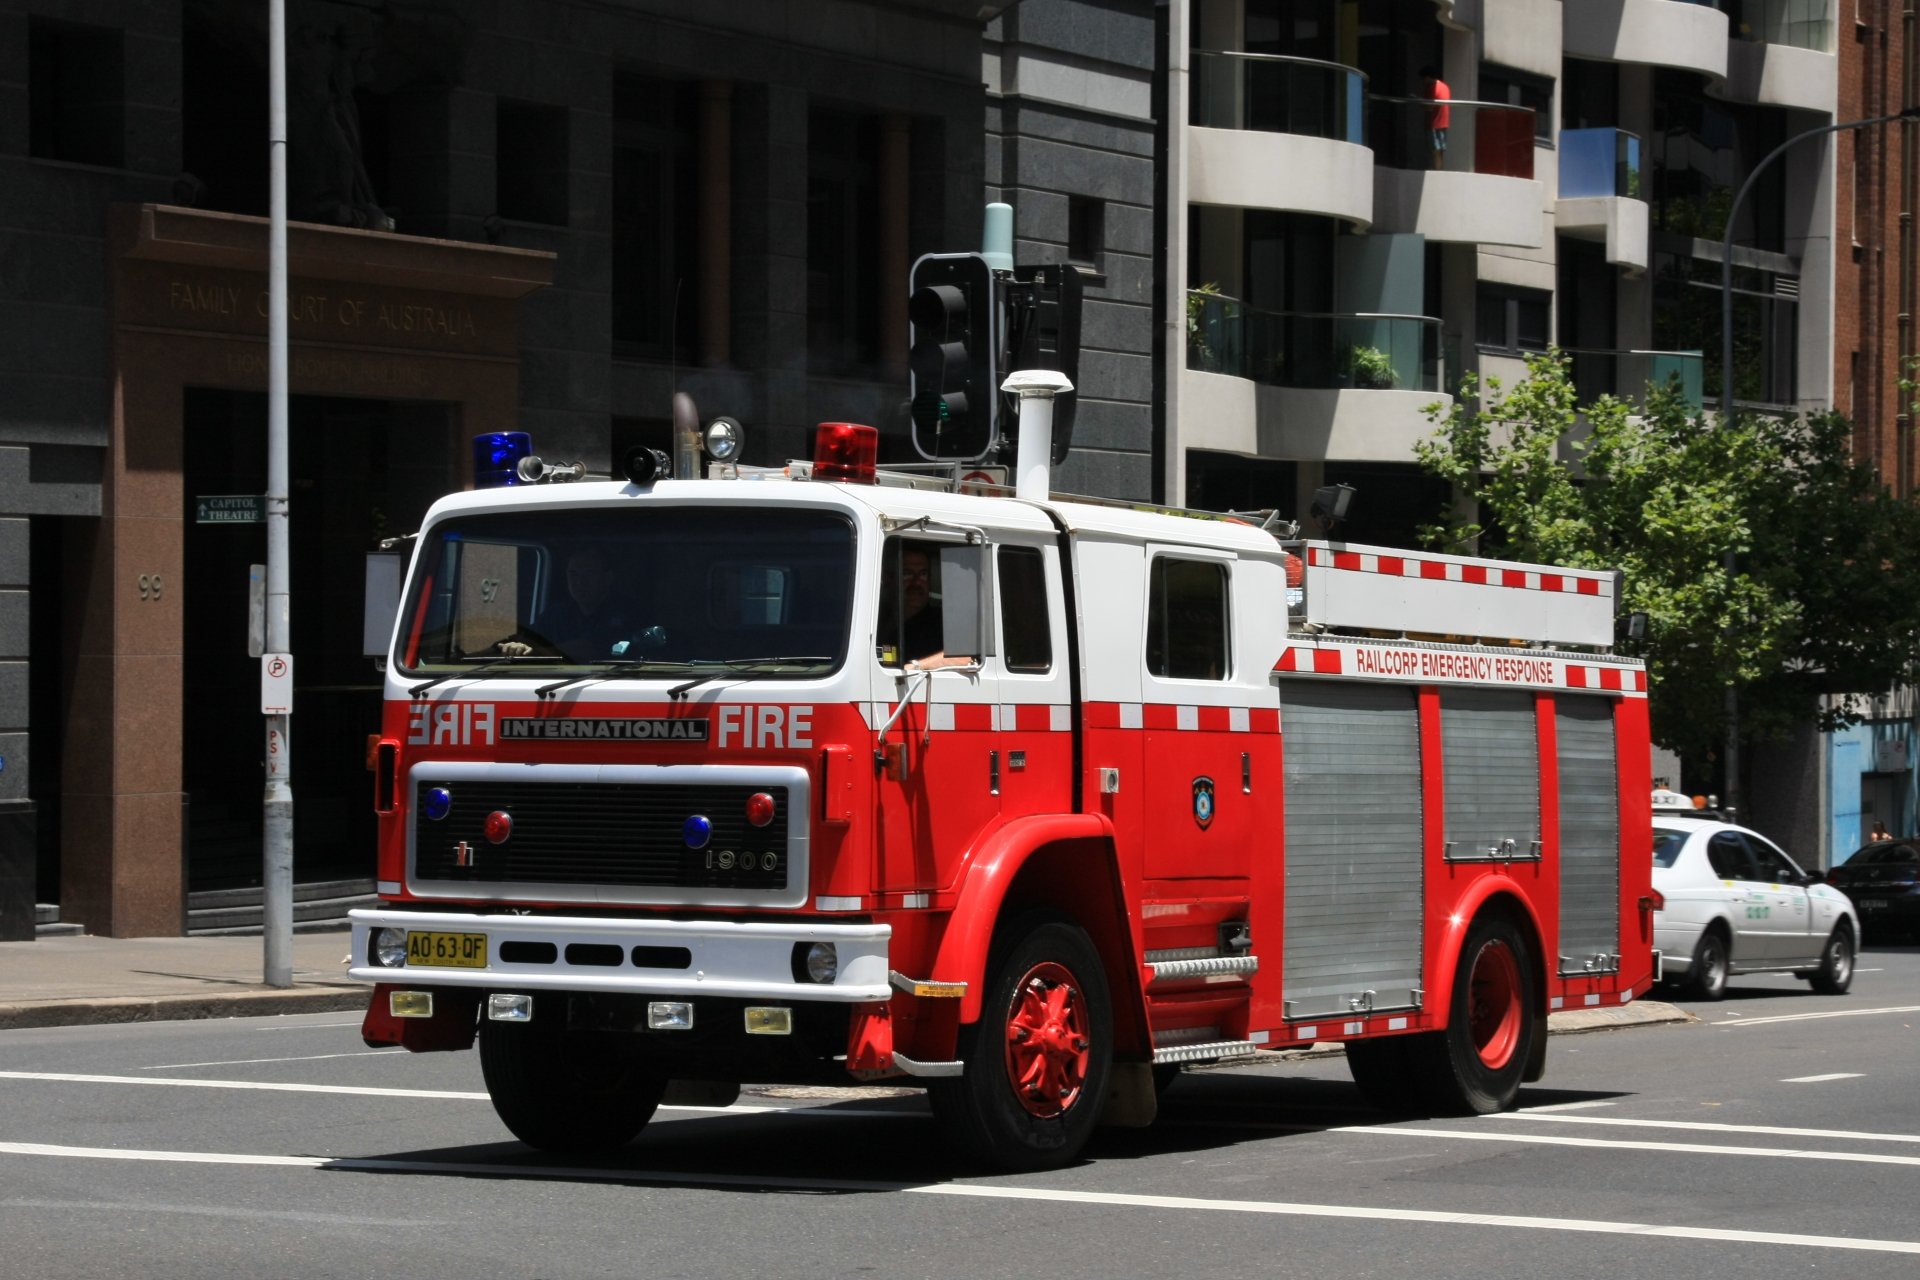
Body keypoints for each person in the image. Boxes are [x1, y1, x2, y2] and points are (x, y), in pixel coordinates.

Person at [499, 545, 633, 659]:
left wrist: (536, 651)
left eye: (589, 574)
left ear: (607, 578)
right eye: (573, 574)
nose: (580, 582)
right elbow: (529, 638)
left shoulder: (624, 612)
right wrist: (516, 645)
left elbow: (589, 648)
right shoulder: (558, 613)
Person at [1420, 66, 1450, 171]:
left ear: (1428, 77)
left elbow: (1428, 107)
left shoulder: (1431, 88)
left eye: (1423, 78)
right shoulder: (1445, 87)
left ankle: (1436, 171)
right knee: (1440, 150)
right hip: (1444, 122)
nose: (1423, 81)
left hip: (1433, 122)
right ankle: (1439, 170)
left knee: (1434, 149)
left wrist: (1421, 102)